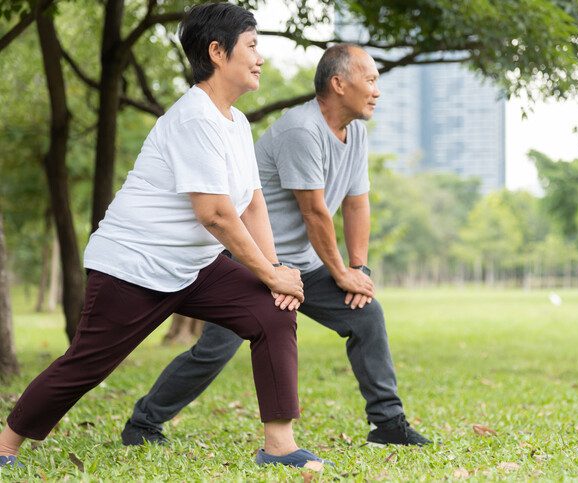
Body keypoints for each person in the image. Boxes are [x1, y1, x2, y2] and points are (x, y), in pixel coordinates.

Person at [0, 2, 329, 471]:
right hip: (135, 263)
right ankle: (5, 444)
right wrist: (271, 273)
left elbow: (252, 203)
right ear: (218, 52)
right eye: (252, 46)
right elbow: (215, 214)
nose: (260, 57)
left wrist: (274, 273)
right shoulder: (194, 118)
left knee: (270, 313)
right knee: (88, 364)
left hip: (194, 264)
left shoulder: (235, 124)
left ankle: (279, 446)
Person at [121, 43, 431, 448]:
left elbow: (357, 203)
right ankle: (143, 424)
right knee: (216, 349)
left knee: (366, 316)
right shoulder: (301, 129)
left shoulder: (355, 132)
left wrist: (359, 269)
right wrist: (341, 274)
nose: (377, 90)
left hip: (305, 264)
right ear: (339, 84)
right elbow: (315, 212)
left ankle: (388, 425)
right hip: (255, 261)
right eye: (370, 80)